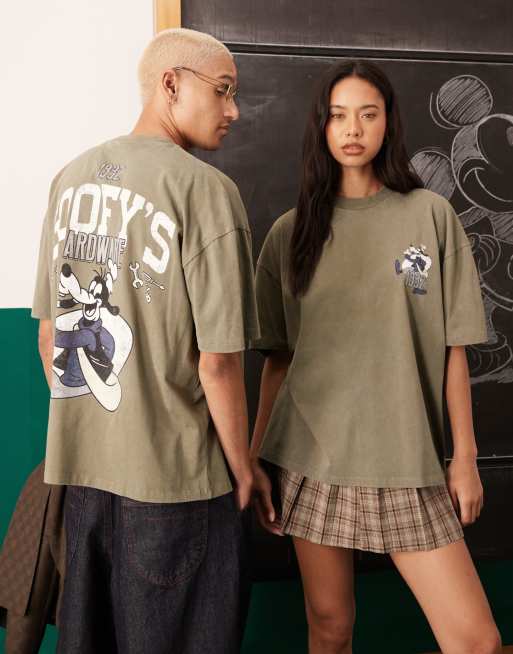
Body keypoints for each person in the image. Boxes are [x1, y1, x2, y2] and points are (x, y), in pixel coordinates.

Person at [250, 59, 502, 654]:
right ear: (321, 126)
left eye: (368, 114)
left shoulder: (429, 215)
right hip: (312, 458)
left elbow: (453, 348)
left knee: (477, 641)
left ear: (388, 122)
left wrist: (464, 458)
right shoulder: (290, 233)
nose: (353, 129)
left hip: (407, 459)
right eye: (338, 116)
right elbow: (278, 361)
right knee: (330, 630)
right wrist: (257, 460)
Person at [32, 27, 259, 654]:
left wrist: (106, 424)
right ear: (171, 84)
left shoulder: (69, 179)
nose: (234, 111)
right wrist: (243, 469)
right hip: (177, 484)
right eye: (223, 91)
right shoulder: (206, 190)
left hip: (83, 482)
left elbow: (51, 335)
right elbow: (218, 363)